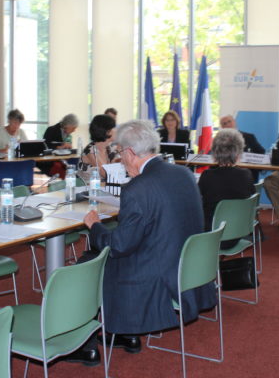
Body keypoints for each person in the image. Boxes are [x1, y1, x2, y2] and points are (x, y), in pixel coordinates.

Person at [77, 120, 216, 364]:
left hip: (157, 274)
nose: (120, 160)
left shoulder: (137, 188)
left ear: (130, 152)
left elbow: (119, 246)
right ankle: (125, 333)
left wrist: (95, 225)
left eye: (120, 153)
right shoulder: (184, 173)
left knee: (88, 262)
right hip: (188, 264)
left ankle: (83, 344)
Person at [198, 129, 256, 248]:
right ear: (238, 152)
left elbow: (198, 204)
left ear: (214, 152)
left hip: (211, 236)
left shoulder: (207, 176)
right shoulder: (246, 174)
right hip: (238, 233)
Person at [79, 114, 119, 178]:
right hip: (90, 184)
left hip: (106, 184)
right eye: (114, 128)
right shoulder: (90, 151)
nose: (117, 130)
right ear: (107, 132)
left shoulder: (110, 148)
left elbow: (119, 170)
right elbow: (106, 174)